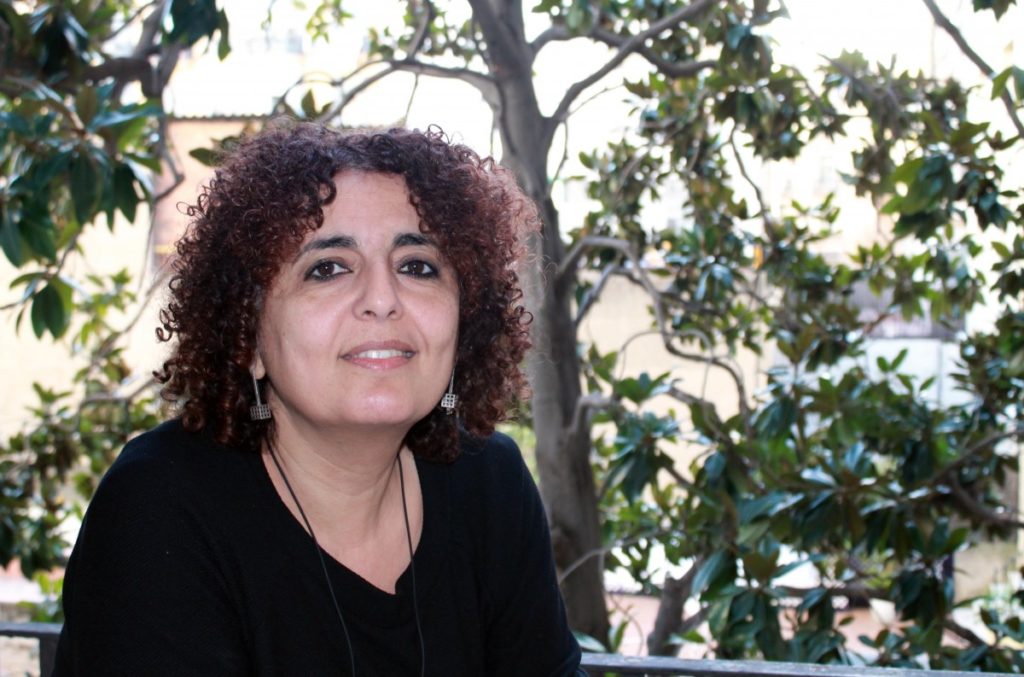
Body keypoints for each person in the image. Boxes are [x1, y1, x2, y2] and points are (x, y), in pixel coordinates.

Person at [53, 122, 584, 676]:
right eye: (327, 269)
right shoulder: (159, 508)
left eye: (417, 266)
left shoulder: (490, 485)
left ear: (463, 322)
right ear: (248, 338)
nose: (382, 298)